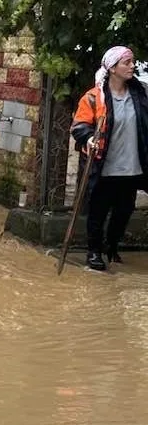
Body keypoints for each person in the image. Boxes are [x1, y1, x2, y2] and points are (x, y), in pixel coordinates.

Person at [71, 46, 148, 271]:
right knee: (98, 211)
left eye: (133, 62)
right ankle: (94, 252)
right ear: (112, 68)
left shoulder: (141, 94)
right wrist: (88, 138)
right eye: (127, 63)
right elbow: (79, 126)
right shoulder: (94, 98)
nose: (132, 66)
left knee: (124, 211)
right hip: (103, 165)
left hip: (132, 166)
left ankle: (112, 247)